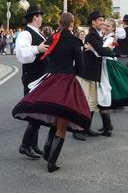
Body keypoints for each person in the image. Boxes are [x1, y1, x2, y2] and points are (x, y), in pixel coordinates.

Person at [13, 13, 90, 172]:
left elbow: (45, 57)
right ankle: (51, 161)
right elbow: (81, 68)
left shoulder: (52, 38)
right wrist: (68, 70)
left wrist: (54, 70)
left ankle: (47, 152)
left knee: (54, 116)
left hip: (49, 80)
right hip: (66, 81)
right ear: (72, 24)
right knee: (62, 122)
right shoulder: (75, 41)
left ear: (59, 22)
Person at [15, 2, 49, 158]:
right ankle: (25, 145)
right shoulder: (25, 34)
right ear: (35, 18)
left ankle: (33, 144)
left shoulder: (37, 33)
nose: (41, 18)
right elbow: (21, 55)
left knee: (39, 111)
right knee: (36, 111)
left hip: (40, 77)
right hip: (32, 78)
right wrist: (37, 49)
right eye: (40, 16)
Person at [75, 11, 113, 141]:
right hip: (86, 73)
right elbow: (102, 51)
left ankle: (86, 128)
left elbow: (101, 51)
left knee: (91, 103)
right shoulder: (91, 35)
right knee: (84, 102)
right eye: (100, 20)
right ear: (93, 22)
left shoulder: (97, 35)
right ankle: (77, 130)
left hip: (93, 73)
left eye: (103, 20)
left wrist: (102, 50)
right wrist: (110, 49)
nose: (102, 22)